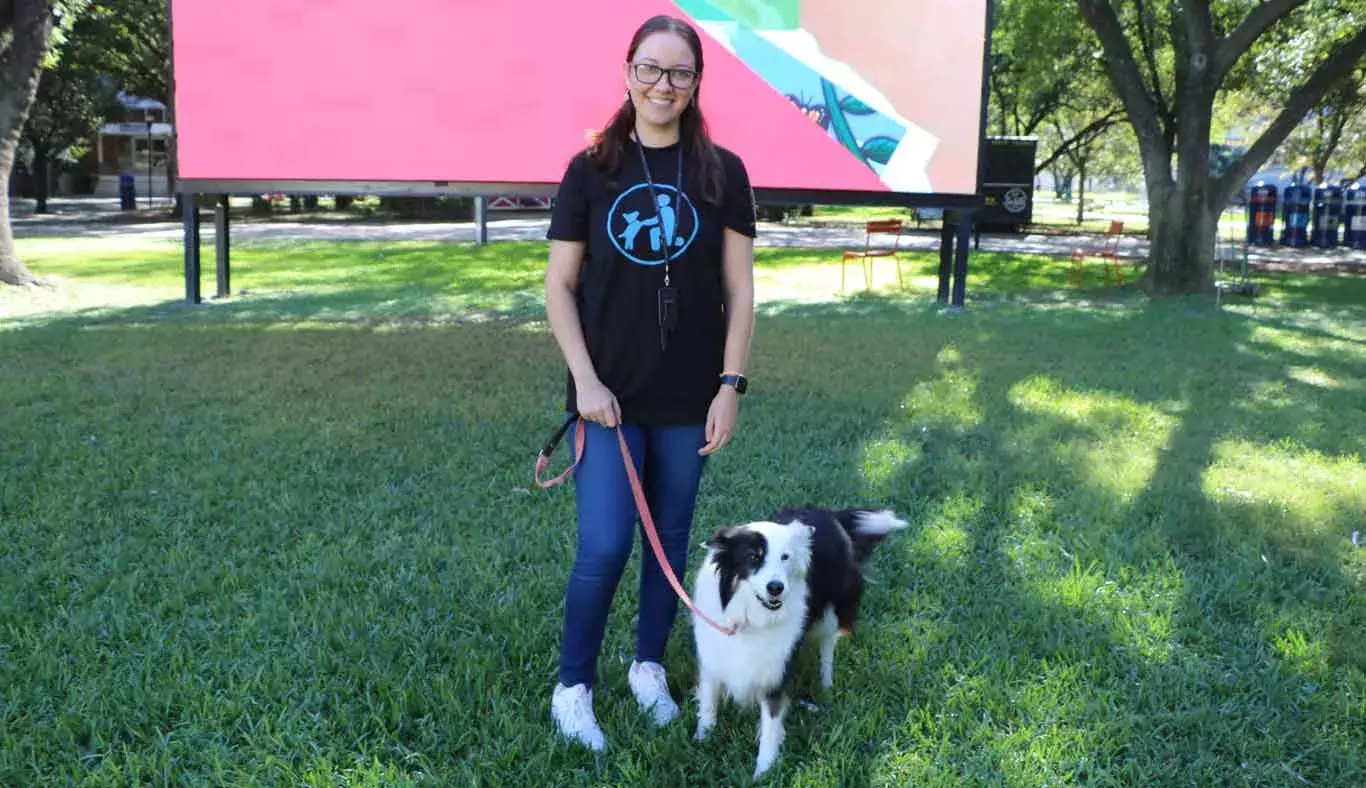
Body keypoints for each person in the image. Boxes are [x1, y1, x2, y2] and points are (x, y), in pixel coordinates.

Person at [541, 13, 757, 752]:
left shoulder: (721, 171)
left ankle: (647, 669)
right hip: (607, 400)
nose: (664, 84)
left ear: (697, 82)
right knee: (604, 545)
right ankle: (573, 688)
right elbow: (559, 288)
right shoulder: (591, 168)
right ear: (628, 71)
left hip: (689, 397)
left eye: (680, 72)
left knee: (669, 540)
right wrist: (585, 383)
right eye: (650, 69)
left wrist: (730, 383)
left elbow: (741, 287)